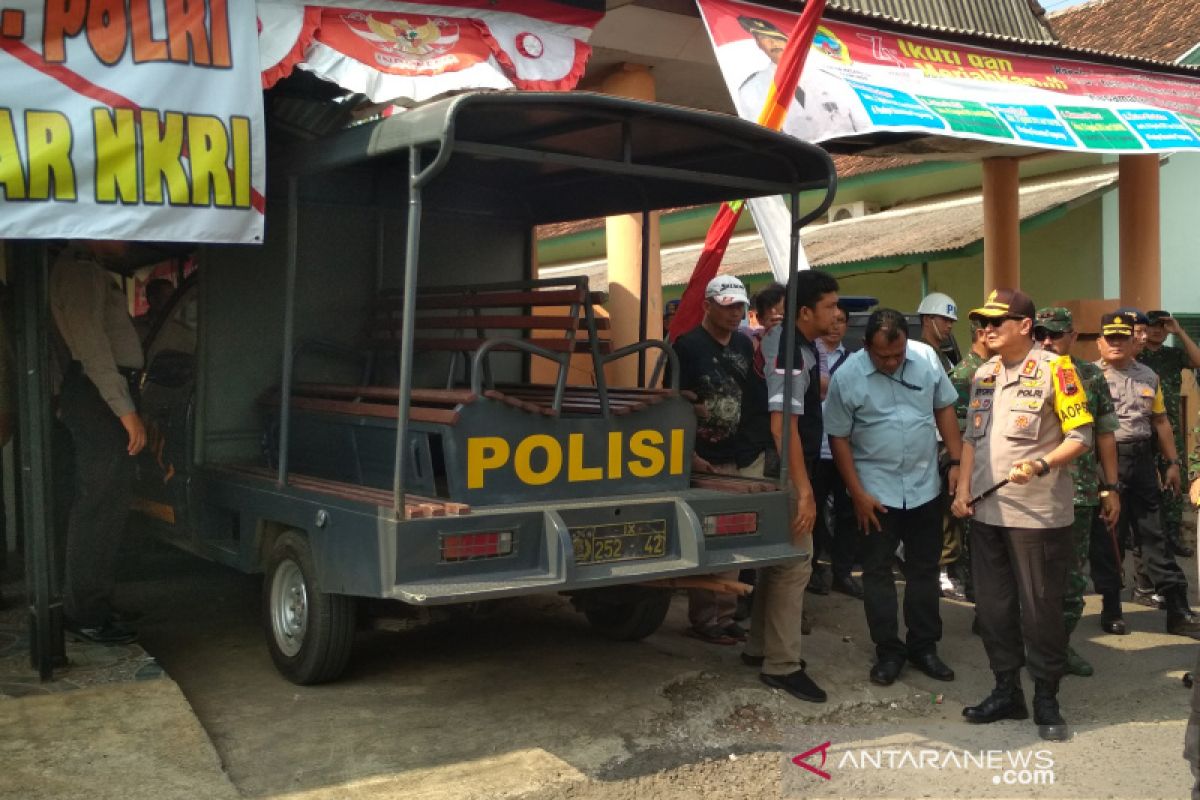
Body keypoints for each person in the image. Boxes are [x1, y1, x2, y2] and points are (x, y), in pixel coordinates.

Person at [952, 288, 1094, 742]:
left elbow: (1081, 437)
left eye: (997, 322)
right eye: (982, 323)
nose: (986, 329)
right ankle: (1006, 690)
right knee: (992, 609)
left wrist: (1040, 463)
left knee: (1040, 611)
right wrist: (961, 490)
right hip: (987, 510)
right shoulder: (986, 374)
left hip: (1037, 515)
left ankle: (1047, 698)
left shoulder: (1058, 370)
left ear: (1025, 326)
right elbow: (972, 440)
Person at [825, 308, 962, 686]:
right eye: (882, 356)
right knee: (878, 574)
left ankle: (924, 647)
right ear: (866, 346)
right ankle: (888, 650)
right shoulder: (848, 375)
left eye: (897, 355)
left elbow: (944, 407)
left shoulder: (926, 358)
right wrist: (856, 493)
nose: (891, 362)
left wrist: (956, 459)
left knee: (924, 570)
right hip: (875, 493)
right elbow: (838, 437)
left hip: (924, 488)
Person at [741, 269, 841, 703]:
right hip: (771, 464)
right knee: (797, 559)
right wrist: (804, 491)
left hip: (771, 461)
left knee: (780, 559)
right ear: (805, 312)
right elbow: (784, 428)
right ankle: (781, 665)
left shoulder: (791, 342)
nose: (837, 315)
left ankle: (760, 647)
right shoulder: (790, 351)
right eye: (830, 307)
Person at [50, 241, 147, 645]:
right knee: (97, 503)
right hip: (96, 396)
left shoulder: (90, 267)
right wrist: (124, 410)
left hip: (101, 395)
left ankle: (95, 601)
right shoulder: (77, 269)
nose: (127, 238)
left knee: (109, 503)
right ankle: (84, 612)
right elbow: (90, 347)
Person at [1092, 312, 1200, 638]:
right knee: (1110, 539)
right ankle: (1112, 608)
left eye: (1122, 338)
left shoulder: (1149, 376)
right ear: (1099, 342)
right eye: (1109, 338)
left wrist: (1172, 463)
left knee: (1154, 534)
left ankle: (1178, 609)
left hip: (1140, 462)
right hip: (1102, 463)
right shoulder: (1087, 377)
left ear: (1132, 341)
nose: (1115, 344)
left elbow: (1161, 422)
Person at [671, 275, 766, 645]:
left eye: (738, 306)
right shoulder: (687, 346)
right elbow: (674, 402)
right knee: (709, 542)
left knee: (736, 540)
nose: (733, 313)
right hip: (706, 457)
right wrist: (689, 455)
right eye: (726, 306)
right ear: (708, 305)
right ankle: (706, 619)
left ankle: (725, 614)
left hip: (740, 453)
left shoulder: (744, 343)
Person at [1033, 308, 1120, 678]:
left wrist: (1111, 488)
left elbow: (1104, 434)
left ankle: (1059, 649)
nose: (1047, 342)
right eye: (1041, 335)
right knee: (1031, 577)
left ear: (1072, 335)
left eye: (1054, 335)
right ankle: (1029, 647)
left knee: (1070, 580)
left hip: (1078, 493)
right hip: (1029, 494)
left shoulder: (1089, 377)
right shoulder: (1022, 373)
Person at [735, 16, 869, 143]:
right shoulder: (750, 90)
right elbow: (756, 139)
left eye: (779, 37)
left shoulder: (833, 82)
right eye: (764, 37)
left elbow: (864, 129)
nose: (773, 42)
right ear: (758, 43)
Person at [1139, 310, 1200, 559]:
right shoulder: (1136, 355)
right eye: (1152, 326)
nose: (1157, 331)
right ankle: (1140, 536)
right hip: (1140, 428)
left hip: (1170, 428)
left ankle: (1172, 536)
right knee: (1141, 481)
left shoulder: (1173, 355)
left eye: (1162, 327)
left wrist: (1180, 331)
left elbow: (1197, 361)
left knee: (1173, 482)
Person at [810, 304, 861, 598]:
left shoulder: (855, 361)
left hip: (844, 449)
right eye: (832, 318)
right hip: (814, 449)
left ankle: (843, 573)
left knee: (848, 514)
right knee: (811, 513)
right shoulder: (807, 355)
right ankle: (814, 569)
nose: (835, 325)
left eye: (842, 320)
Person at [946, 320, 995, 607]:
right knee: (974, 535)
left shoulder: (992, 369)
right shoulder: (967, 374)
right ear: (981, 334)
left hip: (988, 463)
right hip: (972, 464)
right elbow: (962, 429)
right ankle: (979, 597)